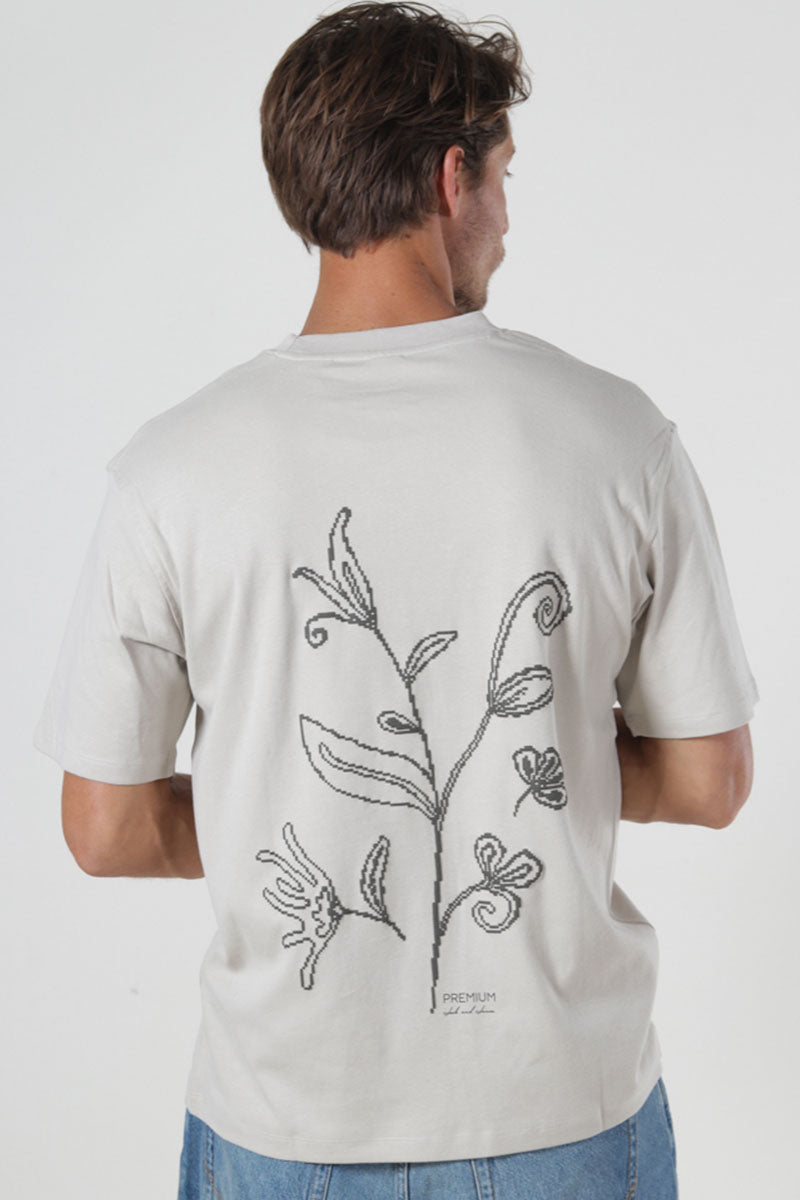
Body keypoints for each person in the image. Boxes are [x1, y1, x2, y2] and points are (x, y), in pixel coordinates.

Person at [33, 2, 758, 1197]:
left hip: (282, 1124)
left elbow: (104, 829)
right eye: (502, 178)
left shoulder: (171, 470)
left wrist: (292, 798)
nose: (505, 220)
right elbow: (705, 781)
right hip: (559, 1111)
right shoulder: (616, 437)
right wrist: (539, 766)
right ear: (448, 176)